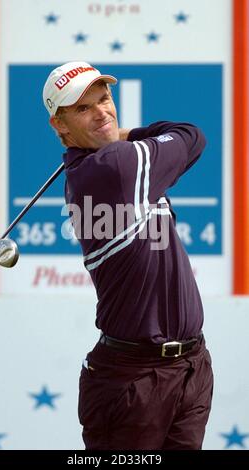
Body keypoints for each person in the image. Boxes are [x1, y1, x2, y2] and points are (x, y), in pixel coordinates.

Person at [42, 61, 213, 450]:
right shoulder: (115, 167)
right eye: (83, 109)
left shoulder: (107, 167)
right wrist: (125, 134)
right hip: (133, 381)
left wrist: (112, 135)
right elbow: (191, 136)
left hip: (189, 368)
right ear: (60, 125)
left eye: (104, 99)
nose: (101, 112)